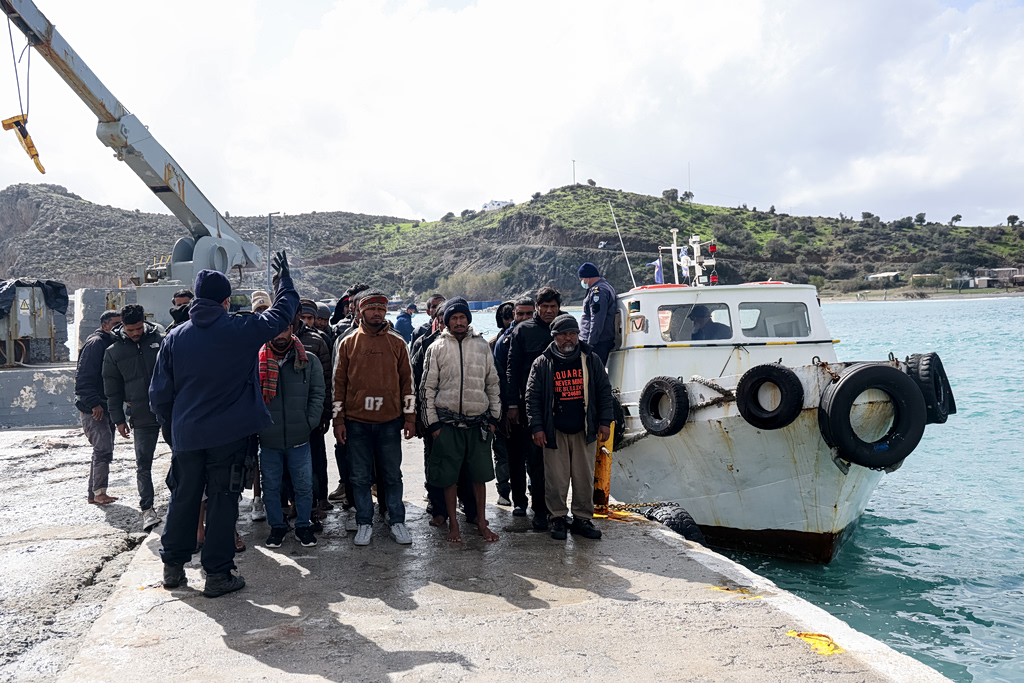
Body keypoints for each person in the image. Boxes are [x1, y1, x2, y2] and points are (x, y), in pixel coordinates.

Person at [151, 252, 298, 597]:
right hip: (228, 436)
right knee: (222, 500)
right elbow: (282, 314)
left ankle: (173, 569)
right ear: (226, 300)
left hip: (187, 434)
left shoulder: (175, 337)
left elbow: (159, 393)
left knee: (184, 497)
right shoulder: (240, 329)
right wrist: (284, 284)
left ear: (196, 298)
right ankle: (217, 575)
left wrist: (171, 429)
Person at [333, 291, 416, 547]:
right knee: (358, 476)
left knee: (392, 475)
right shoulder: (348, 343)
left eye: (381, 309)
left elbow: (408, 383)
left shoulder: (397, 342)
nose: (377, 313)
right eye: (372, 309)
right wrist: (339, 421)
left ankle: (397, 520)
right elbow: (338, 384)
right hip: (356, 422)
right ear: (361, 311)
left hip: (390, 421)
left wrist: (410, 418)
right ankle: (364, 522)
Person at [526, 313, 613, 541]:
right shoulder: (542, 363)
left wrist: (605, 422)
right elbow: (532, 398)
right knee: (556, 478)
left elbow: (604, 392)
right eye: (564, 334)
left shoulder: (591, 359)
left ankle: (582, 519)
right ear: (554, 336)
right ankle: (557, 518)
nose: (569, 339)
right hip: (554, 430)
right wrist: (537, 428)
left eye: (573, 333)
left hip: (585, 429)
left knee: (584, 477)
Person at [422, 298, 501, 543]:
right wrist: (433, 425)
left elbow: (492, 383)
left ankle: (480, 522)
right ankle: (453, 526)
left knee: (479, 476)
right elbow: (427, 388)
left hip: (478, 423)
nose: (459, 322)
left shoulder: (481, 346)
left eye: (462, 317)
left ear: (468, 319)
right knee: (448, 477)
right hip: (447, 425)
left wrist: (494, 418)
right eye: (454, 318)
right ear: (446, 321)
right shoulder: (436, 348)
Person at [257, 323, 325, 548]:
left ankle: (303, 526)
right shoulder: (256, 361)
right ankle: (277, 527)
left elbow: (318, 393)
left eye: (284, 329)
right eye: (275, 330)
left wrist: (310, 423)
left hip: (300, 437)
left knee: (304, 485)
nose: (280, 336)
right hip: (268, 439)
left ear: (292, 330)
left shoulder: (309, 360)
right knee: (271, 486)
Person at [102, 303, 165, 531]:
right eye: (130, 330)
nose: (135, 333)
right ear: (123, 327)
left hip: (170, 412)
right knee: (143, 465)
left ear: (144, 322)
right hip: (140, 415)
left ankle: (184, 502)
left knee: (185, 457)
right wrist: (118, 419)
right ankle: (147, 509)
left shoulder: (162, 340)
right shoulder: (113, 352)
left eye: (138, 328)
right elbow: (112, 389)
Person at [505, 287, 561, 529]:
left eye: (553, 307)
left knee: (559, 463)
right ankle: (539, 511)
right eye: (544, 306)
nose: (549, 311)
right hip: (531, 405)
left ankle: (557, 509)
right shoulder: (523, 331)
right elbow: (512, 369)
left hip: (562, 404)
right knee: (536, 461)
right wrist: (512, 404)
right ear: (537, 307)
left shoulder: (565, 327)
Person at [74, 309, 121, 505]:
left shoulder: (112, 343)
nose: (119, 328)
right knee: (102, 448)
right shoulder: (96, 344)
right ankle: (98, 493)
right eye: (115, 324)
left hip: (106, 406)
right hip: (95, 408)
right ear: (105, 326)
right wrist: (93, 403)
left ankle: (95, 493)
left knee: (104, 448)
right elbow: (83, 378)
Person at [492, 297, 533, 507]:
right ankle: (509, 495)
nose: (523, 318)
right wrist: (504, 409)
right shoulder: (500, 342)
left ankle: (537, 497)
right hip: (509, 408)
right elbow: (498, 378)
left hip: (534, 409)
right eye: (519, 315)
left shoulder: (542, 337)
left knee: (534, 458)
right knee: (507, 455)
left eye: (528, 314)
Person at [578, 262, 617, 364]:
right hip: (597, 341)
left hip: (597, 343)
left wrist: (591, 343)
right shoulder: (604, 287)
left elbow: (597, 319)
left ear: (587, 278)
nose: (582, 283)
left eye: (582, 280)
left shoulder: (599, 291)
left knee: (592, 374)